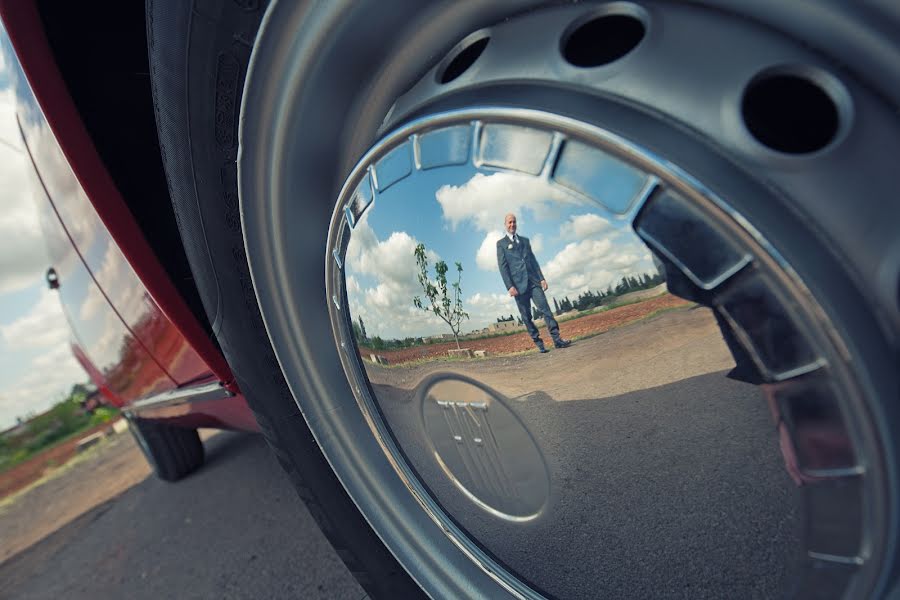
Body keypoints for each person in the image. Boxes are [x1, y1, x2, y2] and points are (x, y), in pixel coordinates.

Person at [496, 213, 571, 353]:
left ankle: (557, 340)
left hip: (533, 281)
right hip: (518, 286)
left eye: (514, 222)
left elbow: (533, 260)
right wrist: (510, 286)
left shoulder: (525, 241)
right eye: (510, 222)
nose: (512, 225)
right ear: (505, 225)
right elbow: (503, 267)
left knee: (546, 309)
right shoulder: (501, 244)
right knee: (527, 317)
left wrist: (542, 278)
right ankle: (539, 343)